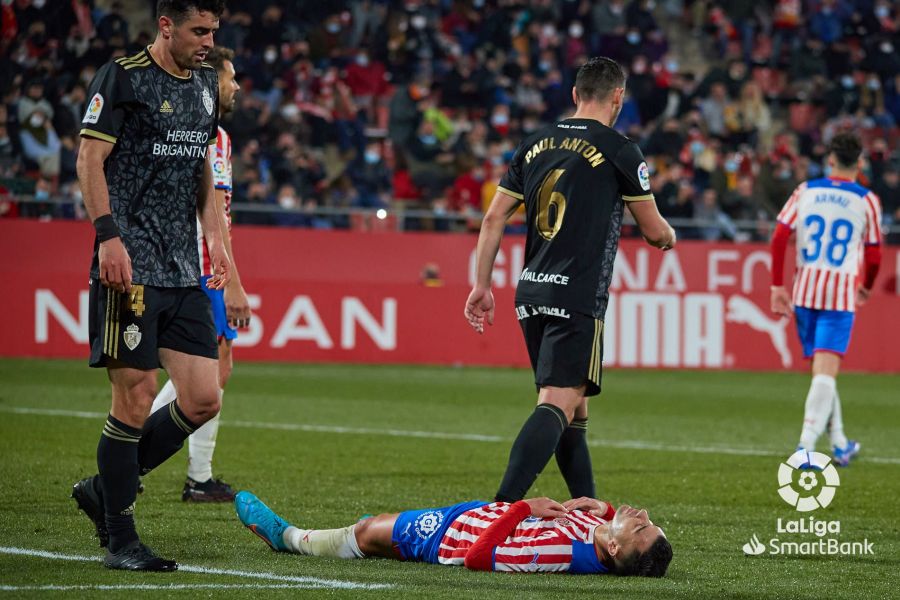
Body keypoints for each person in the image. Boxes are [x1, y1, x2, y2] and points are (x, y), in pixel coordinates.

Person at [464, 57, 676, 504]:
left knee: (574, 409)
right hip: (576, 294)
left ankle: (591, 510)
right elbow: (655, 231)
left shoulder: (534, 143)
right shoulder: (621, 150)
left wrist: (482, 285)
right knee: (558, 402)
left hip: (531, 291)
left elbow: (492, 218)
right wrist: (671, 236)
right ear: (618, 96)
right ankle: (497, 511)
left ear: (575, 95)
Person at [70, 0, 228, 572]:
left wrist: (217, 250)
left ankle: (106, 486)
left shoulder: (208, 87)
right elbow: (90, 157)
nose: (208, 41)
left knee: (204, 397)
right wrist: (108, 237)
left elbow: (203, 175)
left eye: (213, 31)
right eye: (198, 30)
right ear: (167, 27)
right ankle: (120, 538)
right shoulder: (125, 77)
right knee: (134, 398)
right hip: (128, 266)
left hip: (183, 268)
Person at [148, 45, 250, 503]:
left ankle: (196, 476)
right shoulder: (196, 132)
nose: (238, 86)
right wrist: (232, 283)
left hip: (205, 267)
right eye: (231, 78)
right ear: (211, 80)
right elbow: (204, 213)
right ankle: (151, 465)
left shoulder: (220, 137)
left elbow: (219, 213)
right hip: (194, 269)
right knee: (207, 371)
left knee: (215, 368)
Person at [234, 491, 672, 577]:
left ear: (614, 545)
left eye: (640, 525)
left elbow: (478, 558)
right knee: (380, 524)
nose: (643, 513)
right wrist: (608, 510)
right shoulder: (603, 535)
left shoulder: (559, 551)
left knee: (368, 531)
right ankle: (369, 538)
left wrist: (523, 508)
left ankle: (288, 538)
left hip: (448, 537)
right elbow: (612, 539)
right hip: (473, 516)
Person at [770, 131, 883, 466]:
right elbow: (875, 255)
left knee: (820, 371)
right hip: (839, 295)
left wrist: (777, 286)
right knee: (824, 373)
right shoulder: (867, 200)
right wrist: (867, 285)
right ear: (860, 163)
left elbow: (779, 236)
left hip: (805, 291)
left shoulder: (806, 190)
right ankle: (804, 446)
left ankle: (840, 441)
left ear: (830, 159)